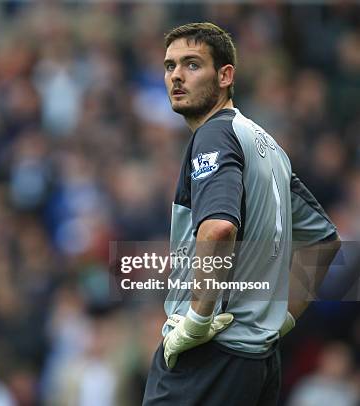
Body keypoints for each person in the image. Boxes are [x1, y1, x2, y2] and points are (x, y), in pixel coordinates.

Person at [142, 22, 341, 405]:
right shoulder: (269, 148)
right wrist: (282, 317)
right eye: (169, 66)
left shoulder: (214, 135)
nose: (177, 76)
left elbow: (217, 229)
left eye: (192, 64)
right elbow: (323, 241)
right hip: (258, 363)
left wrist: (197, 321)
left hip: (209, 357)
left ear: (225, 75)